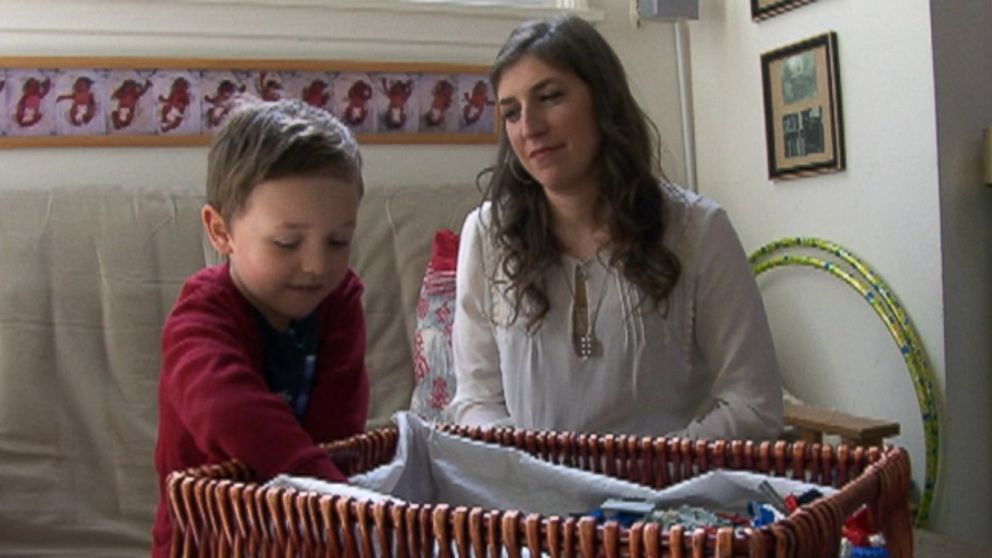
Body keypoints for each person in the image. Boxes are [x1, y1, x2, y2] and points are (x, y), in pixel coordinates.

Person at [448, 15, 783, 441]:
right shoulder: (486, 236)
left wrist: (650, 469)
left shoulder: (699, 230)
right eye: (511, 112)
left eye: (549, 97)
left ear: (604, 103)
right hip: (530, 499)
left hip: (669, 497)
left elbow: (754, 404)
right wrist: (534, 468)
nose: (529, 127)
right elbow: (475, 400)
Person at [152, 99, 368, 557]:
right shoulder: (200, 318)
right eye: (287, 242)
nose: (316, 265)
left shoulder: (339, 302)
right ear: (220, 231)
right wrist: (335, 494)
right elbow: (229, 412)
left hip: (310, 532)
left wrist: (337, 507)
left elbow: (341, 428)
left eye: (338, 241)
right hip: (208, 541)